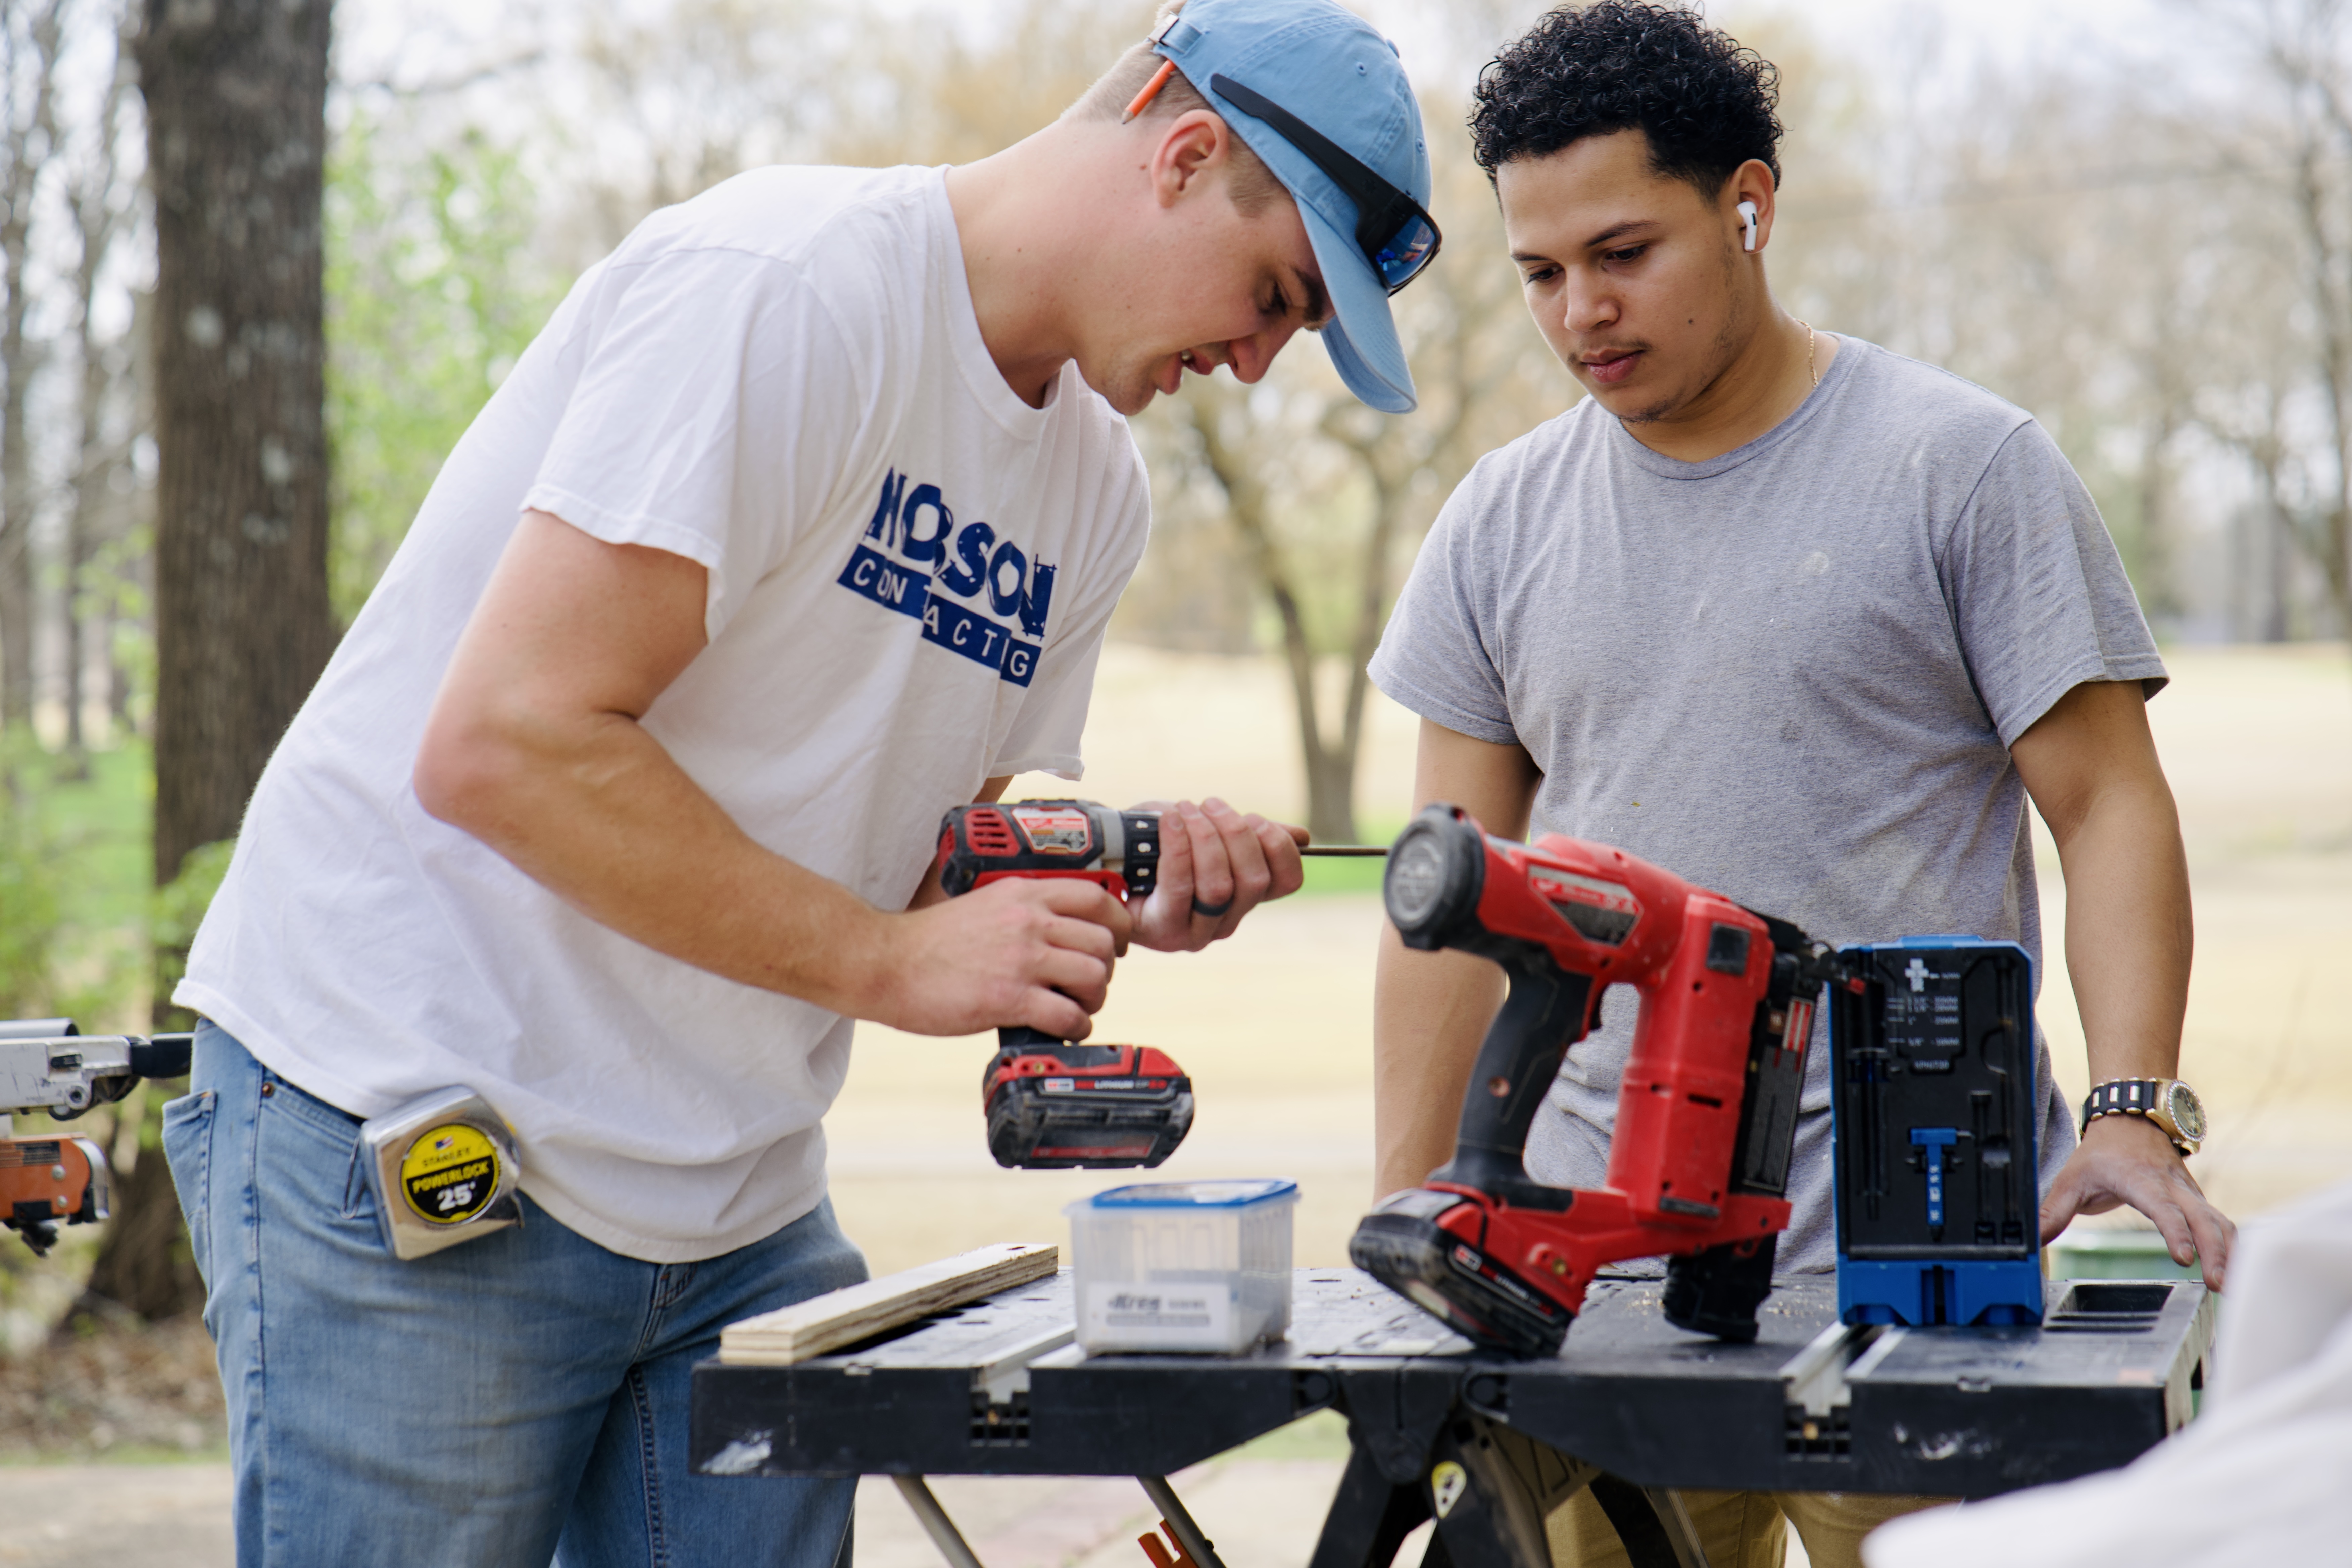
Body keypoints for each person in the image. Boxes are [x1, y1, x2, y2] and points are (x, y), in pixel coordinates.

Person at [158, 2, 1439, 1563]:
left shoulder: (1094, 491)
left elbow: (907, 857)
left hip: (733, 1204)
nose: (1255, 360)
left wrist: (1102, 881)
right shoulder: (789, 288)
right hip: (425, 1117)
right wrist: (892, 964)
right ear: (1180, 154)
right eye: (1276, 296)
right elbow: (509, 747)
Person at [1364, 6, 2232, 1566]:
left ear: (1749, 205)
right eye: (1541, 272)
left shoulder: (1963, 468)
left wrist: (2132, 1113)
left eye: (1624, 252)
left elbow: (2109, 803)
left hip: (1925, 1277)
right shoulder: (1498, 522)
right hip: (1599, 1292)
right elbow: (1454, 904)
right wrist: (1412, 1220)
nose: (1581, 310)